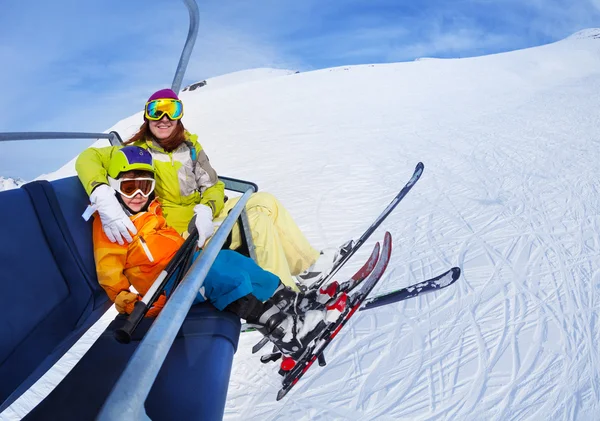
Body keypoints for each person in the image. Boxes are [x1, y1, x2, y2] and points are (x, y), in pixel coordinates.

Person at [90, 146, 344, 358]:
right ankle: (285, 333)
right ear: (114, 188)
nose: (138, 195)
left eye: (145, 187)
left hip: (186, 262)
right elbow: (109, 274)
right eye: (129, 187)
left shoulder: (152, 210)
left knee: (235, 261)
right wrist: (131, 303)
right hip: (168, 286)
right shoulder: (110, 226)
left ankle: (290, 301)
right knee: (224, 278)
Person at [76, 88, 336, 292]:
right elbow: (87, 158)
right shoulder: (136, 153)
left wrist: (207, 208)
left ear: (179, 115)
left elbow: (212, 186)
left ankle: (307, 266)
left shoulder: (190, 148)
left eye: (171, 110)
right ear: (147, 117)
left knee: (265, 201)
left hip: (203, 215)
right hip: (177, 231)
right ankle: (280, 293)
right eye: (156, 111)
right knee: (255, 221)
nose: (164, 119)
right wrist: (100, 191)